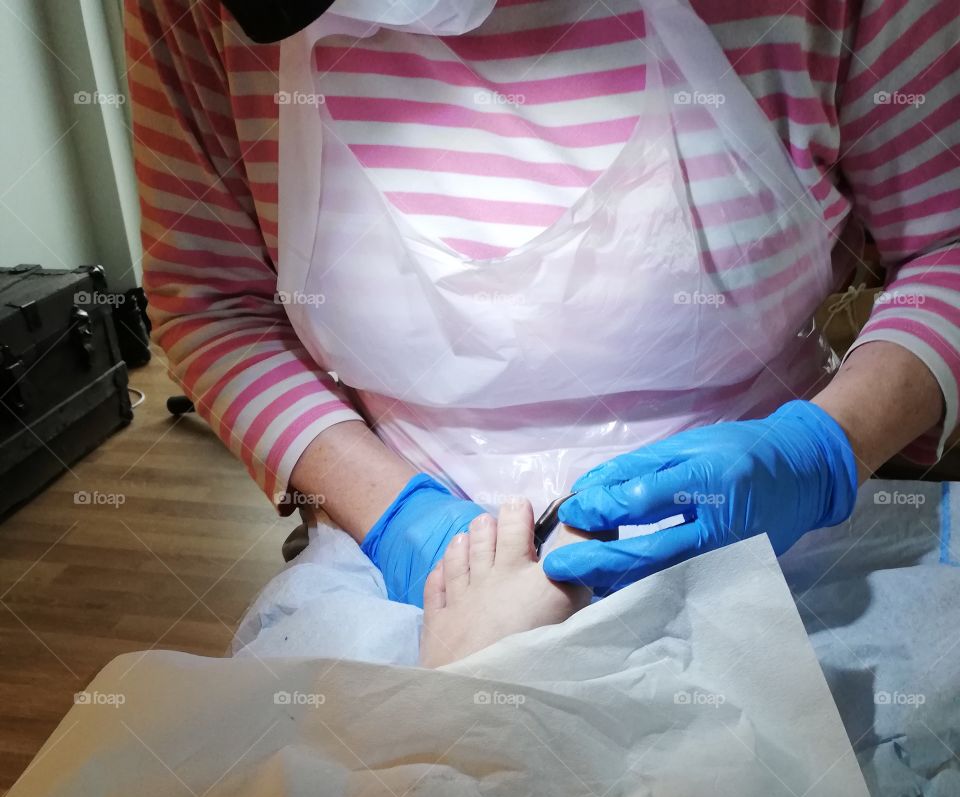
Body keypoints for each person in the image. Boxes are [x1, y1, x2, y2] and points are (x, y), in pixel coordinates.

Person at [126, 0, 958, 651]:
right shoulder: (209, 14)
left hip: (783, 545)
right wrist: (399, 523)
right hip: (404, 570)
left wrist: (818, 452)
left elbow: (946, 247)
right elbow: (211, 301)